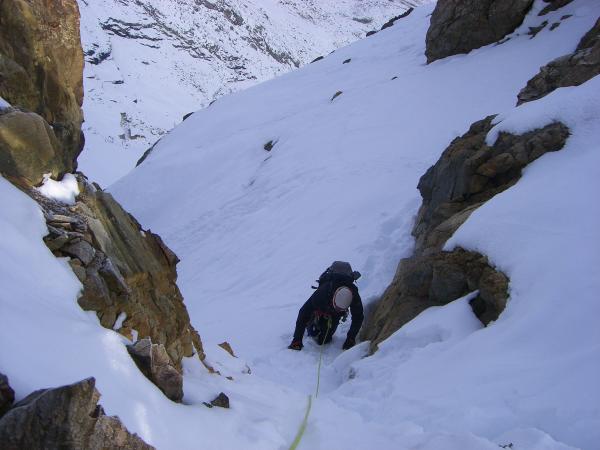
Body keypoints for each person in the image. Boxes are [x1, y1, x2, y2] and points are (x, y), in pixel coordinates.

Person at [288, 261, 363, 351]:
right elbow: (303, 312)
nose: (338, 309)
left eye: (340, 309)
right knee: (312, 332)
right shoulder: (322, 293)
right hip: (321, 307)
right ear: (333, 299)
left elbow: (358, 316)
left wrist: (351, 338)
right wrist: (297, 340)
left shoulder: (353, 293)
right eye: (337, 307)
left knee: (324, 340)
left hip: (335, 315)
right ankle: (312, 319)